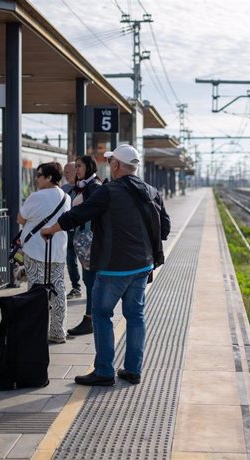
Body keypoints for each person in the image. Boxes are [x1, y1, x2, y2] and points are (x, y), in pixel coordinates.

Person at [41, 144, 170, 386]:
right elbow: (165, 228)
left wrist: (50, 229)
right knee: (135, 316)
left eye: (111, 162)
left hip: (114, 268)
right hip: (143, 266)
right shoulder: (151, 191)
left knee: (101, 314)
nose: (109, 165)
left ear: (117, 165)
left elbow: (77, 215)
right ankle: (133, 370)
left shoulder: (108, 191)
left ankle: (104, 372)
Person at [17, 162, 71, 343]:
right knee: (58, 290)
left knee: (35, 290)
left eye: (39, 174)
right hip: (57, 251)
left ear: (49, 177)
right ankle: (57, 331)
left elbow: (20, 218)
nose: (36, 178)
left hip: (35, 250)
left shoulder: (36, 196)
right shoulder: (66, 197)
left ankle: (36, 332)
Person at [67, 155, 102, 336]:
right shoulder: (87, 187)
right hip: (86, 240)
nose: (76, 169)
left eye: (79, 166)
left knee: (91, 280)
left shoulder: (94, 187)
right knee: (89, 280)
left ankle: (90, 319)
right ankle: (91, 318)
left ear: (89, 166)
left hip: (91, 240)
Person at [61, 162, 82, 300]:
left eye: (68, 172)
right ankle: (76, 287)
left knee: (87, 260)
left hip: (81, 230)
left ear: (76, 171)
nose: (66, 174)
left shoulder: (84, 188)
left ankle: (91, 286)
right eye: (65, 172)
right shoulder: (64, 188)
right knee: (70, 260)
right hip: (68, 231)